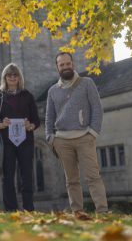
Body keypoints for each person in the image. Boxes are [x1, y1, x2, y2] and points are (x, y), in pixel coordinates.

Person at [45, 52, 108, 218]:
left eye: (68, 64)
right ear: (57, 67)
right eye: (62, 65)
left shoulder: (87, 83)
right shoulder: (52, 90)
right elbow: (49, 116)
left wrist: (93, 132)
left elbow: (97, 108)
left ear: (73, 64)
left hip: (84, 138)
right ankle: (78, 212)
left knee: (93, 176)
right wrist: (51, 138)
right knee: (71, 180)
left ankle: (102, 211)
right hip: (62, 141)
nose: (65, 67)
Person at [0, 63, 40, 211]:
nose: (12, 77)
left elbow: (36, 120)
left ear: (19, 77)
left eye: (15, 75)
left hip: (26, 142)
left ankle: (29, 208)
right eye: (9, 75)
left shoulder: (27, 96)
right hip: (6, 143)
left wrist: (31, 125)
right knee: (8, 177)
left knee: (27, 176)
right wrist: (0, 124)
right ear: (5, 77)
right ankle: (11, 210)